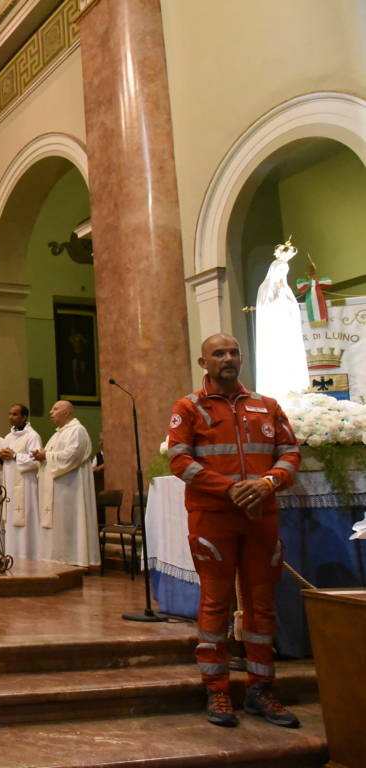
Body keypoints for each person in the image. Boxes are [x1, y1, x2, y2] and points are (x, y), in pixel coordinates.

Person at [167, 333, 301, 729]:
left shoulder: (267, 406)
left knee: (262, 605)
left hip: (261, 515)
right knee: (215, 603)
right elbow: (179, 459)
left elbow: (290, 452)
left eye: (234, 352)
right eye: (219, 353)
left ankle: (261, 689)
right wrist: (229, 488)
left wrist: (268, 482)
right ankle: (217, 688)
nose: (228, 358)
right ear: (202, 362)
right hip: (213, 517)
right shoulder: (188, 407)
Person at [32, 400, 99, 568]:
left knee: (70, 523)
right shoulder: (57, 434)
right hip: (58, 487)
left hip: (71, 488)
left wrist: (46, 456)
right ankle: (56, 558)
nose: (50, 412)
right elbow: (51, 455)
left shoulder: (77, 431)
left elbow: (72, 455)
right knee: (58, 523)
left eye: (55, 409)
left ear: (67, 412)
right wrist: (41, 456)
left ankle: (74, 559)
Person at [254, 240, 309, 399]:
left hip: (288, 332)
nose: (282, 275)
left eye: (285, 272)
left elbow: (293, 311)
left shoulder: (287, 290)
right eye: (280, 271)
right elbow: (266, 311)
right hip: (274, 332)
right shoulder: (265, 289)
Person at [0, 403, 42, 561]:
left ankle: (29, 554)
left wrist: (16, 456)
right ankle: (12, 553)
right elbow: (4, 461)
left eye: (15, 414)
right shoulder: (8, 437)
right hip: (10, 484)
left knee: (26, 519)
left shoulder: (32, 436)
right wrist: (1, 457)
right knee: (10, 520)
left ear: (24, 417)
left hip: (26, 484)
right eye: (10, 414)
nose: (11, 417)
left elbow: (36, 461)